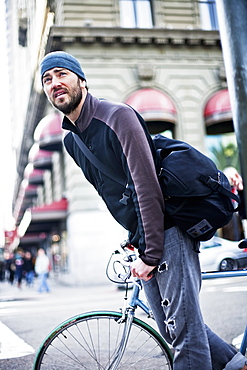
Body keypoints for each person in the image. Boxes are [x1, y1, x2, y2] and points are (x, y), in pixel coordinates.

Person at [40, 51, 247, 370]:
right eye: (47, 79)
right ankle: (237, 364)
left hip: (170, 229)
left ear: (81, 79)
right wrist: (134, 239)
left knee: (185, 334)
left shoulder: (117, 116)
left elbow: (146, 184)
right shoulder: (72, 141)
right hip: (146, 235)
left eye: (61, 74)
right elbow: (115, 194)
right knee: (170, 328)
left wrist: (151, 253)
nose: (55, 83)